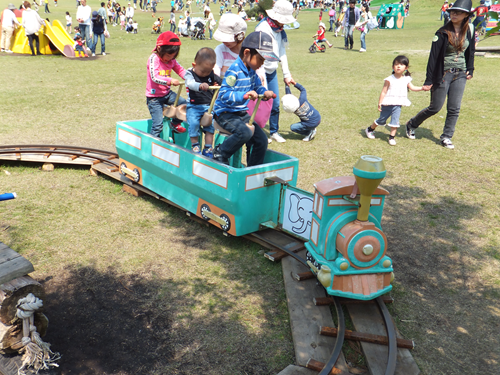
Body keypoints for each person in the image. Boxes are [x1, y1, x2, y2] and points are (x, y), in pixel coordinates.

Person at [405, 0, 475, 149]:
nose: (454, 14)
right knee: (435, 107)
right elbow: (433, 57)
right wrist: (428, 79)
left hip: (460, 73)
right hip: (443, 74)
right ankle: (412, 124)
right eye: (452, 11)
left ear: (466, 15)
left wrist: (470, 68)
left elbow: (471, 50)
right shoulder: (442, 32)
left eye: (458, 12)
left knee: (454, 108)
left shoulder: (469, 29)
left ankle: (447, 137)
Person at [212, 31, 277, 166]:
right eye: (260, 59)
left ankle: (252, 169)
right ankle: (220, 152)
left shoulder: (252, 72)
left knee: (261, 140)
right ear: (247, 53)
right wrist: (244, 95)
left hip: (240, 113)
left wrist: (265, 93)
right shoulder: (233, 71)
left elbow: (258, 87)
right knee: (245, 133)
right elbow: (224, 94)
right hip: (225, 113)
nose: (262, 63)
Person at [255, 0, 297, 143]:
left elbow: (282, 52)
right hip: (259, 72)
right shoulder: (262, 29)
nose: (284, 24)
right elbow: (257, 54)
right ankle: (258, 133)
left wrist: (286, 74)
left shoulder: (280, 31)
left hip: (272, 72)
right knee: (260, 104)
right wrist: (259, 74)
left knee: (275, 103)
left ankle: (274, 131)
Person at [365, 55, 426, 146]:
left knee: (395, 121)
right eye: (396, 64)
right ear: (393, 67)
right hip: (387, 104)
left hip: (398, 104)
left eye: (401, 64)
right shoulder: (389, 79)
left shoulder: (406, 79)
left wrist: (423, 88)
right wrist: (380, 103)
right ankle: (370, 129)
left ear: (406, 68)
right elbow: (383, 92)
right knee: (382, 120)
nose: (398, 66)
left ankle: (391, 137)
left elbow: (412, 88)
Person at [146, 31, 187, 137]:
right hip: (154, 98)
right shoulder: (153, 59)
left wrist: (191, 78)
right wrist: (170, 80)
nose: (170, 58)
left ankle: (175, 123)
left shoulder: (172, 60)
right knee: (158, 125)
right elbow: (154, 77)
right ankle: (152, 145)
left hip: (167, 94)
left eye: (173, 56)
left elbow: (181, 70)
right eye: (168, 55)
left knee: (185, 105)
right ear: (159, 49)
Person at [184, 47, 223, 157]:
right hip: (194, 106)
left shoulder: (210, 73)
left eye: (208, 71)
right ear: (194, 65)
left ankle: (208, 147)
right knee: (194, 123)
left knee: (210, 127)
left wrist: (224, 85)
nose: (206, 74)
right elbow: (190, 84)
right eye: (203, 71)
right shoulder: (190, 74)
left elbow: (221, 81)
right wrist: (200, 85)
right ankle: (195, 144)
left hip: (209, 106)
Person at [213, 13, 247, 78]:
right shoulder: (220, 50)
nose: (224, 41)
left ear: (239, 37)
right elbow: (216, 68)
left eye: (227, 38)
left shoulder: (248, 51)